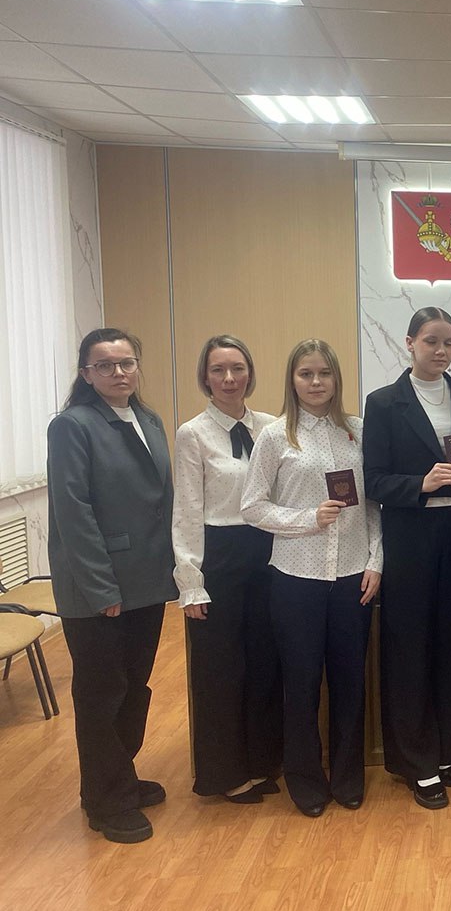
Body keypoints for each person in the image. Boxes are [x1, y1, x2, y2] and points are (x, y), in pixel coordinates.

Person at [241, 339, 382, 817]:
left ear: (337, 378)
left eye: (324, 373)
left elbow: (375, 505)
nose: (316, 382)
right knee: (301, 685)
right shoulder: (275, 436)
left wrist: (376, 561)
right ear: (292, 380)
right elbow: (252, 506)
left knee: (350, 683)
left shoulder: (359, 432)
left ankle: (347, 778)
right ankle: (305, 781)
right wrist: (307, 519)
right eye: (306, 374)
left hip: (353, 577)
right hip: (295, 578)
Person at [47, 328, 176, 844]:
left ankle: (115, 776)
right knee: (102, 694)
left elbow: (160, 501)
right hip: (97, 587)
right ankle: (107, 801)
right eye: (104, 365)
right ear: (86, 374)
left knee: (134, 687)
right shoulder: (72, 426)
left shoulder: (149, 419)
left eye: (126, 362)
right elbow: (73, 514)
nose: (118, 372)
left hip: (146, 579)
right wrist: (102, 590)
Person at [362, 307, 451, 811]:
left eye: (449, 342)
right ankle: (416, 762)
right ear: (410, 342)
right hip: (410, 533)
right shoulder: (383, 402)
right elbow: (373, 481)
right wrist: (421, 483)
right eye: (431, 341)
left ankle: (449, 751)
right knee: (409, 646)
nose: (441, 350)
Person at [172, 335, 283, 804]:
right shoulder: (193, 433)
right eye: (218, 370)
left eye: (237, 368)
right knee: (221, 669)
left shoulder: (272, 426)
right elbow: (186, 510)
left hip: (269, 551)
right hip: (219, 555)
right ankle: (225, 773)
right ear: (205, 377)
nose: (229, 378)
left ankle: (260, 762)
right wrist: (191, 583)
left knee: (263, 662)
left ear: (250, 372)